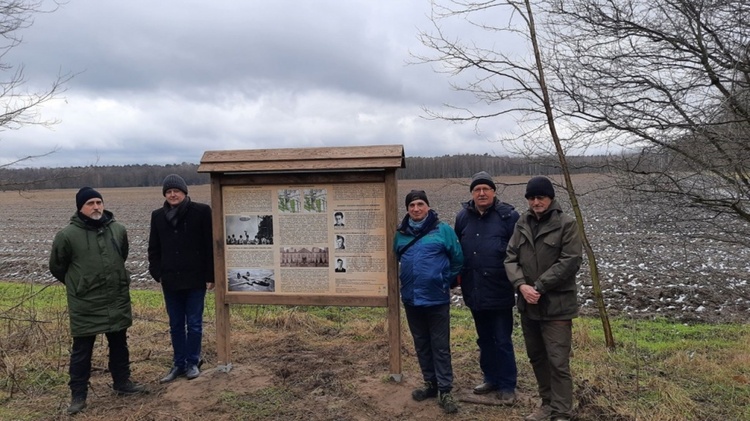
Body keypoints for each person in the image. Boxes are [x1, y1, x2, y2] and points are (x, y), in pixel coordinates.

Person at [49, 187, 148, 415]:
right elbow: (57, 267)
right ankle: (78, 396)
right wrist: (79, 284)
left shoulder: (118, 230)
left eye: (98, 202)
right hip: (85, 302)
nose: (95, 207)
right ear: (80, 207)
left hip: (116, 297)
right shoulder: (67, 236)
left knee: (119, 343)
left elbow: (121, 255)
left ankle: (122, 383)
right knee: (82, 350)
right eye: (90, 203)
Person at [505, 176, 583, 421]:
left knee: (558, 362)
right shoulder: (522, 223)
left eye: (540, 197)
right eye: (531, 197)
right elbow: (510, 258)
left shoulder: (566, 224)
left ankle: (561, 412)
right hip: (529, 306)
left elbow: (570, 261)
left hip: (556, 307)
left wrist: (538, 286)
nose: (536, 202)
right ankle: (547, 405)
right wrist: (521, 285)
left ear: (550, 198)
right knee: (537, 357)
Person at [454, 171, 520, 405]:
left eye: (486, 189)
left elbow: (519, 252)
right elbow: (457, 252)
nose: (481, 193)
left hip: (500, 289)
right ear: (472, 193)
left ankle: (507, 384)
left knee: (502, 339)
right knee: (484, 339)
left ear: (493, 192)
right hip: (475, 291)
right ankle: (490, 378)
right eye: (477, 189)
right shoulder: (463, 217)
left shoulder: (509, 217)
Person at [394, 190, 463, 414]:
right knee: (422, 344)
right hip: (412, 299)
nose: (416, 209)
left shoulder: (442, 230)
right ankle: (430, 384)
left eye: (420, 204)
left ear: (428, 206)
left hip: (436, 299)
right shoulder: (401, 234)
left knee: (440, 346)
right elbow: (396, 258)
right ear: (407, 209)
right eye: (412, 205)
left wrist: (444, 280)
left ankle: (445, 389)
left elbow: (458, 259)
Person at [148, 174, 215, 383]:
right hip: (170, 280)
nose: (172, 194)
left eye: (176, 191)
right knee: (176, 324)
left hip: (195, 279)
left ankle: (192, 362)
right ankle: (178, 364)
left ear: (185, 192)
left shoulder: (201, 212)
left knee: (194, 323)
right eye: (168, 192)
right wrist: (157, 273)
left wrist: (210, 275)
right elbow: (154, 248)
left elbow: (209, 246)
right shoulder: (158, 216)